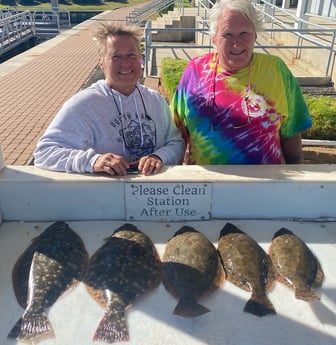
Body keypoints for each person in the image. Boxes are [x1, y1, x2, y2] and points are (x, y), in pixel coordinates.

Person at [170, 0, 312, 165]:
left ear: (255, 35)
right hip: (207, 185)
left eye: (244, 33)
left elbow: (292, 131)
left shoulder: (275, 69)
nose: (237, 43)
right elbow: (176, 131)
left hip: (266, 185)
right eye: (227, 34)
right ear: (214, 38)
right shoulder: (195, 69)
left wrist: (297, 180)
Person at [34, 23, 185, 176]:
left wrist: (159, 156)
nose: (125, 63)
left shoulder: (155, 101)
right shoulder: (83, 105)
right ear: (101, 63)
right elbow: (44, 152)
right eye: (116, 57)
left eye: (132, 55)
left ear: (140, 59)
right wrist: (93, 161)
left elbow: (175, 142)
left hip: (150, 194)